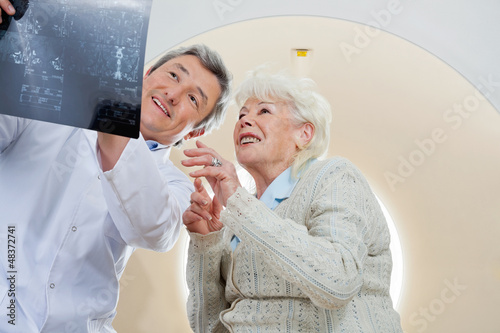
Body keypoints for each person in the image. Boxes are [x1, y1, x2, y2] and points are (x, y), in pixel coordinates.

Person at [0, 27, 232, 333]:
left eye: (192, 98)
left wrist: (113, 117)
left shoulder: (178, 187)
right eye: (174, 75)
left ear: (194, 132)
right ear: (146, 73)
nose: (173, 95)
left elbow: (155, 229)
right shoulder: (50, 102)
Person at [181, 68, 403, 332]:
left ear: (304, 134)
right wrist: (207, 243)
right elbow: (208, 326)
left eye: (263, 111)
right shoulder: (238, 216)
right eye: (241, 115)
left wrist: (240, 205)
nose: (244, 121)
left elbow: (337, 282)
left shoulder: (334, 177)